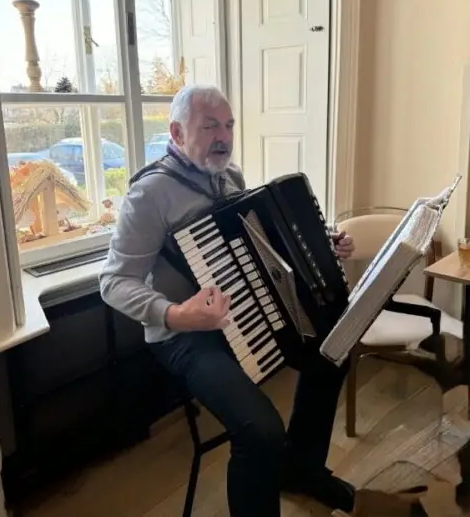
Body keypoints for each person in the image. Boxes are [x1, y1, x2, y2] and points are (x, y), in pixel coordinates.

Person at [99, 84, 356, 516]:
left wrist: (320, 244)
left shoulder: (228, 175)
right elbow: (113, 281)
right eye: (210, 126)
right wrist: (175, 313)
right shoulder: (150, 194)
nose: (224, 137)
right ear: (177, 132)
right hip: (183, 337)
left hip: (243, 310)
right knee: (261, 432)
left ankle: (301, 469)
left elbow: (259, 239)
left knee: (332, 354)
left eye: (229, 125)